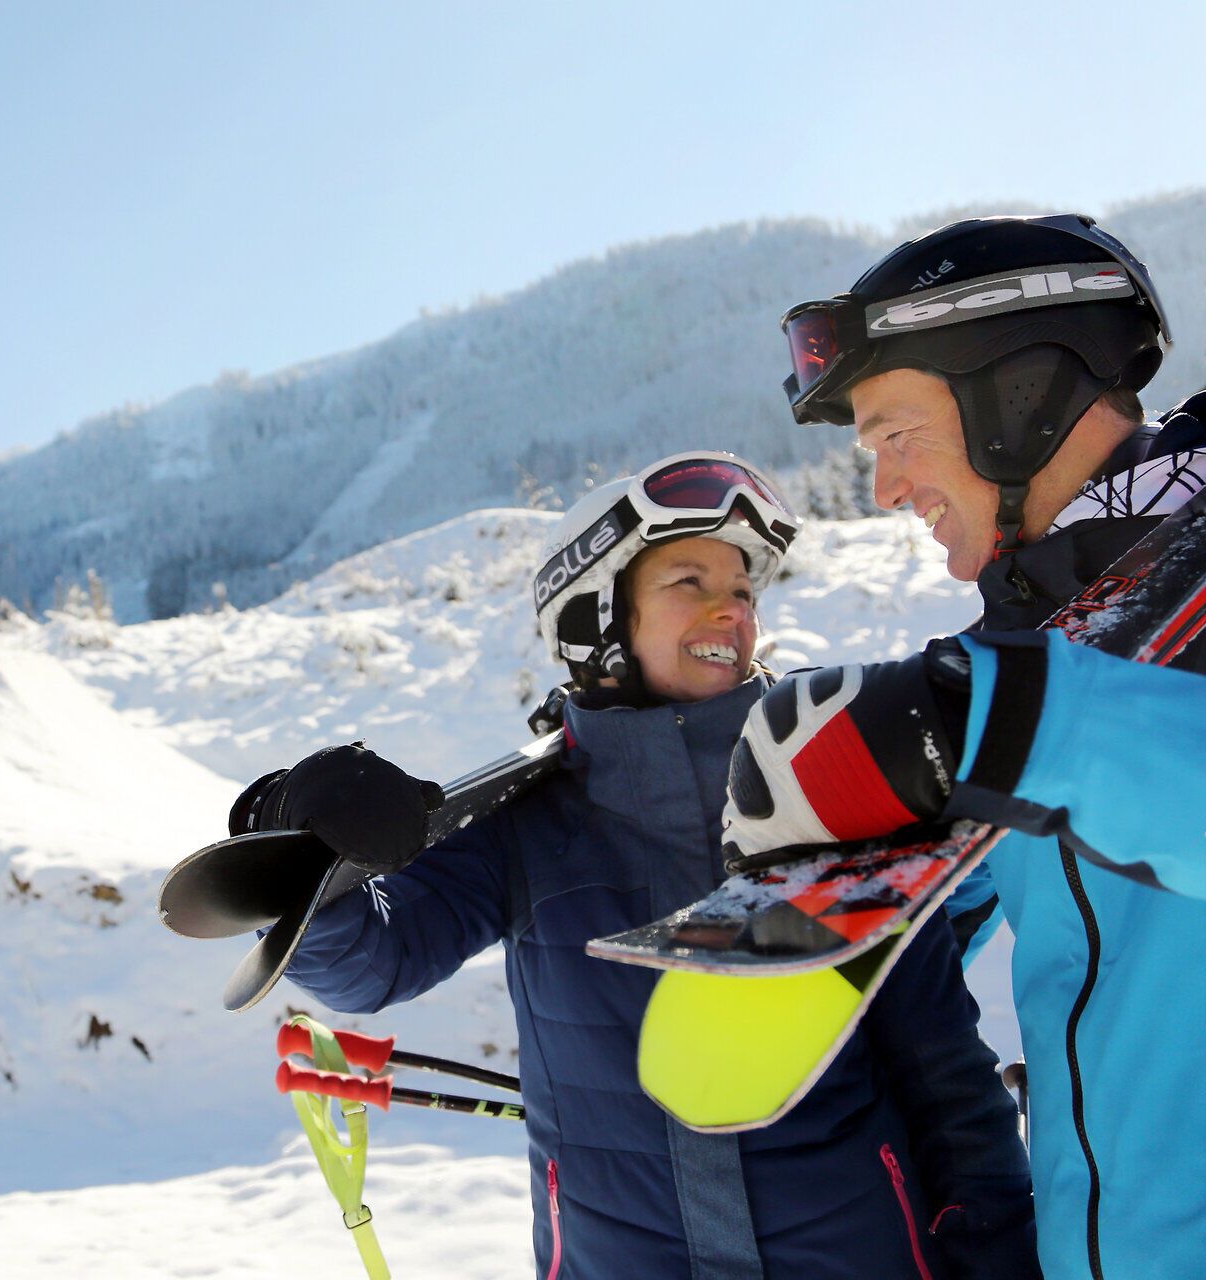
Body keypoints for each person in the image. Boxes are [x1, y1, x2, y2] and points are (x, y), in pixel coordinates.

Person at [231, 452, 1037, 1279]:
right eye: (690, 581)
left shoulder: (830, 788)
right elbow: (369, 964)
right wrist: (304, 839)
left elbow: (943, 1068)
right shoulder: (527, 825)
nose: (732, 609)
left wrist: (996, 1246)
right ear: (596, 618)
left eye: (744, 590)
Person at [723, 213, 1206, 1280]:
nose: (886, 488)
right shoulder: (1043, 650)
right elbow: (951, 914)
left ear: (1020, 397)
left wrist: (981, 722)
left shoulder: (1055, 679)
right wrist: (825, 924)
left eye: (896, 435)